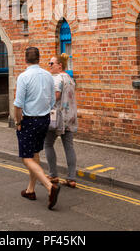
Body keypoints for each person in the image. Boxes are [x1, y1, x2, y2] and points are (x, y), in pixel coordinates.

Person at [14, 46, 61, 210]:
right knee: (34, 154)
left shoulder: (23, 77)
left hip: (29, 121)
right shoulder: (48, 76)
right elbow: (52, 101)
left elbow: (18, 104)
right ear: (39, 59)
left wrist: (18, 122)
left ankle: (49, 187)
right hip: (44, 120)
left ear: (25, 59)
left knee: (26, 158)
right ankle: (30, 190)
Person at [44, 53, 78, 188]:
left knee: (47, 144)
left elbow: (55, 97)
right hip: (70, 117)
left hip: (56, 118)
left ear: (60, 65)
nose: (49, 66)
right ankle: (71, 178)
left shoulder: (57, 79)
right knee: (69, 147)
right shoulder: (69, 78)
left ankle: (53, 175)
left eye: (51, 63)